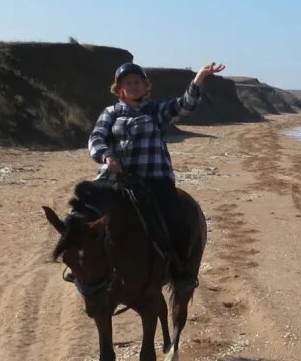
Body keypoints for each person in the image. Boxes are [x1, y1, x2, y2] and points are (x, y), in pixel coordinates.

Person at [88, 60, 225, 280]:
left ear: (145, 86)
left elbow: (185, 104)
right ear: (119, 89)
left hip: (154, 179)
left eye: (137, 82)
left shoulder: (156, 111)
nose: (133, 86)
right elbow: (96, 137)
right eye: (128, 83)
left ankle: (182, 273)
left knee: (177, 220)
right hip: (117, 179)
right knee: (84, 210)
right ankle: (82, 266)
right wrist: (107, 155)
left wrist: (199, 77)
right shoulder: (110, 113)